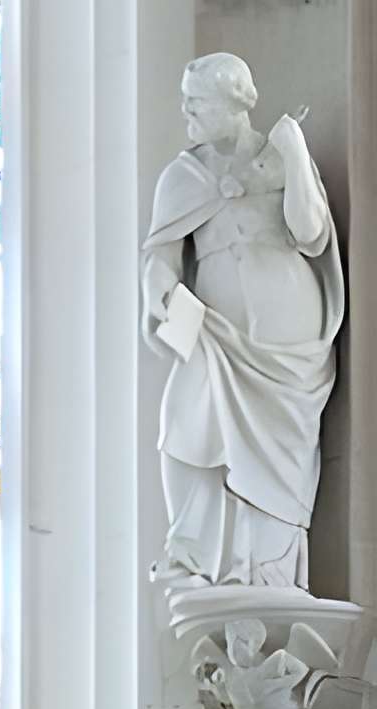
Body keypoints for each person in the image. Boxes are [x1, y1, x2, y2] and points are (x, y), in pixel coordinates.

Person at [142, 53, 342, 589]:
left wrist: (294, 155)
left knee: (280, 449)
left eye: (197, 102)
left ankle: (270, 574)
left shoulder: (279, 157)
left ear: (234, 103)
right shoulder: (181, 177)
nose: (186, 111)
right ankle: (195, 554)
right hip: (213, 330)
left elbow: (312, 234)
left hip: (286, 332)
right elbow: (160, 255)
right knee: (182, 424)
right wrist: (157, 291)